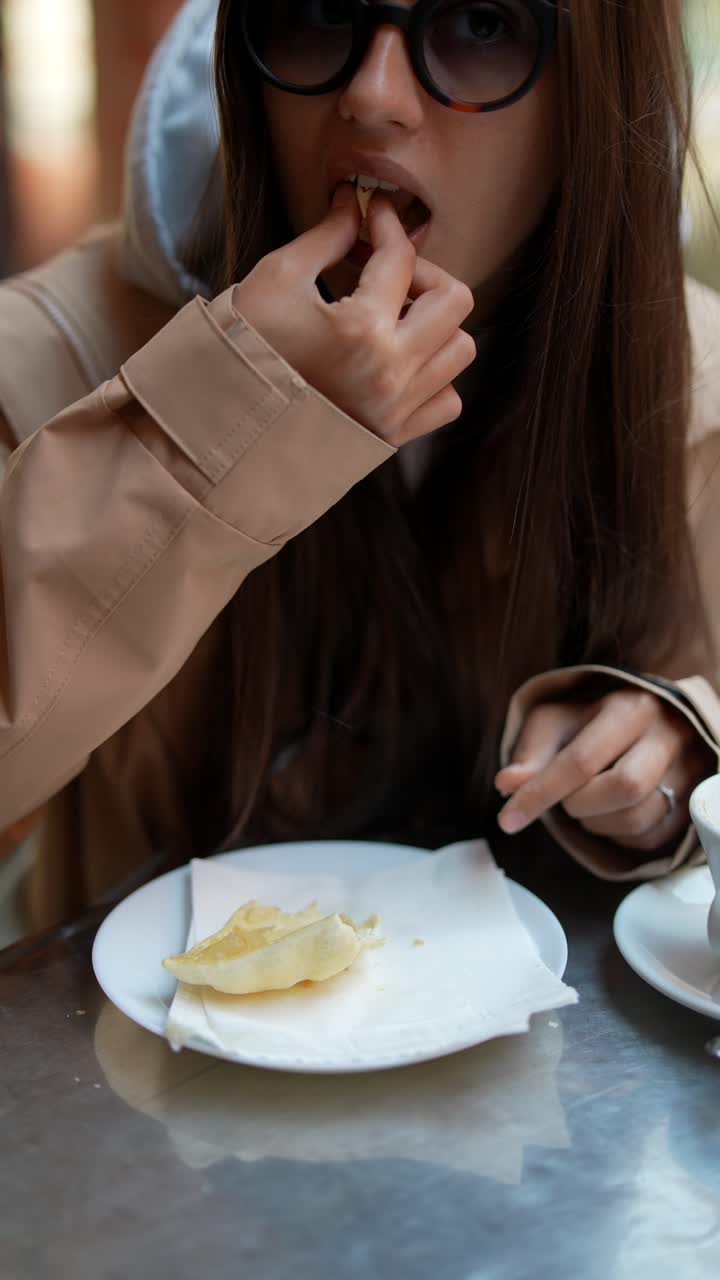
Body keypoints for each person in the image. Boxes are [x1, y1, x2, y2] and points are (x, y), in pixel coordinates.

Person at [0, 0, 719, 930]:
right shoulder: (41, 361)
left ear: (598, 81)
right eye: (318, 13)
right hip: (132, 1063)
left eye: (485, 25)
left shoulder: (689, 385)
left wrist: (676, 747)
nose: (373, 98)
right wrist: (224, 416)